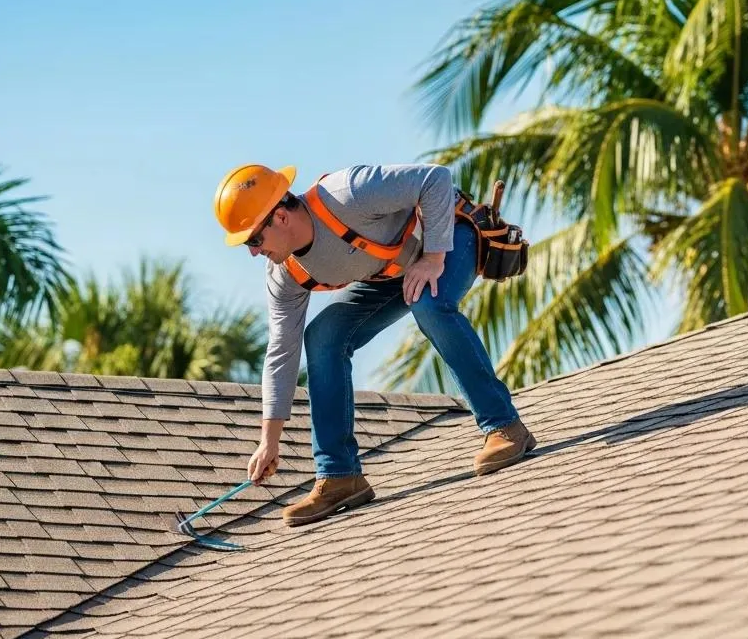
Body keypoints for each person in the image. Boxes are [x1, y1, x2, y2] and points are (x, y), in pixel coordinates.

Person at [214, 162, 535, 526]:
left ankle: (506, 427)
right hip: (392, 274)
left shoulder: (348, 193)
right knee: (323, 337)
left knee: (428, 303)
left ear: (281, 218)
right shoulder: (284, 274)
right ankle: (340, 476)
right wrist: (268, 441)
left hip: (448, 238)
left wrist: (432, 257)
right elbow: (281, 353)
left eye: (254, 239)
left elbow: (436, 179)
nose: (253, 252)